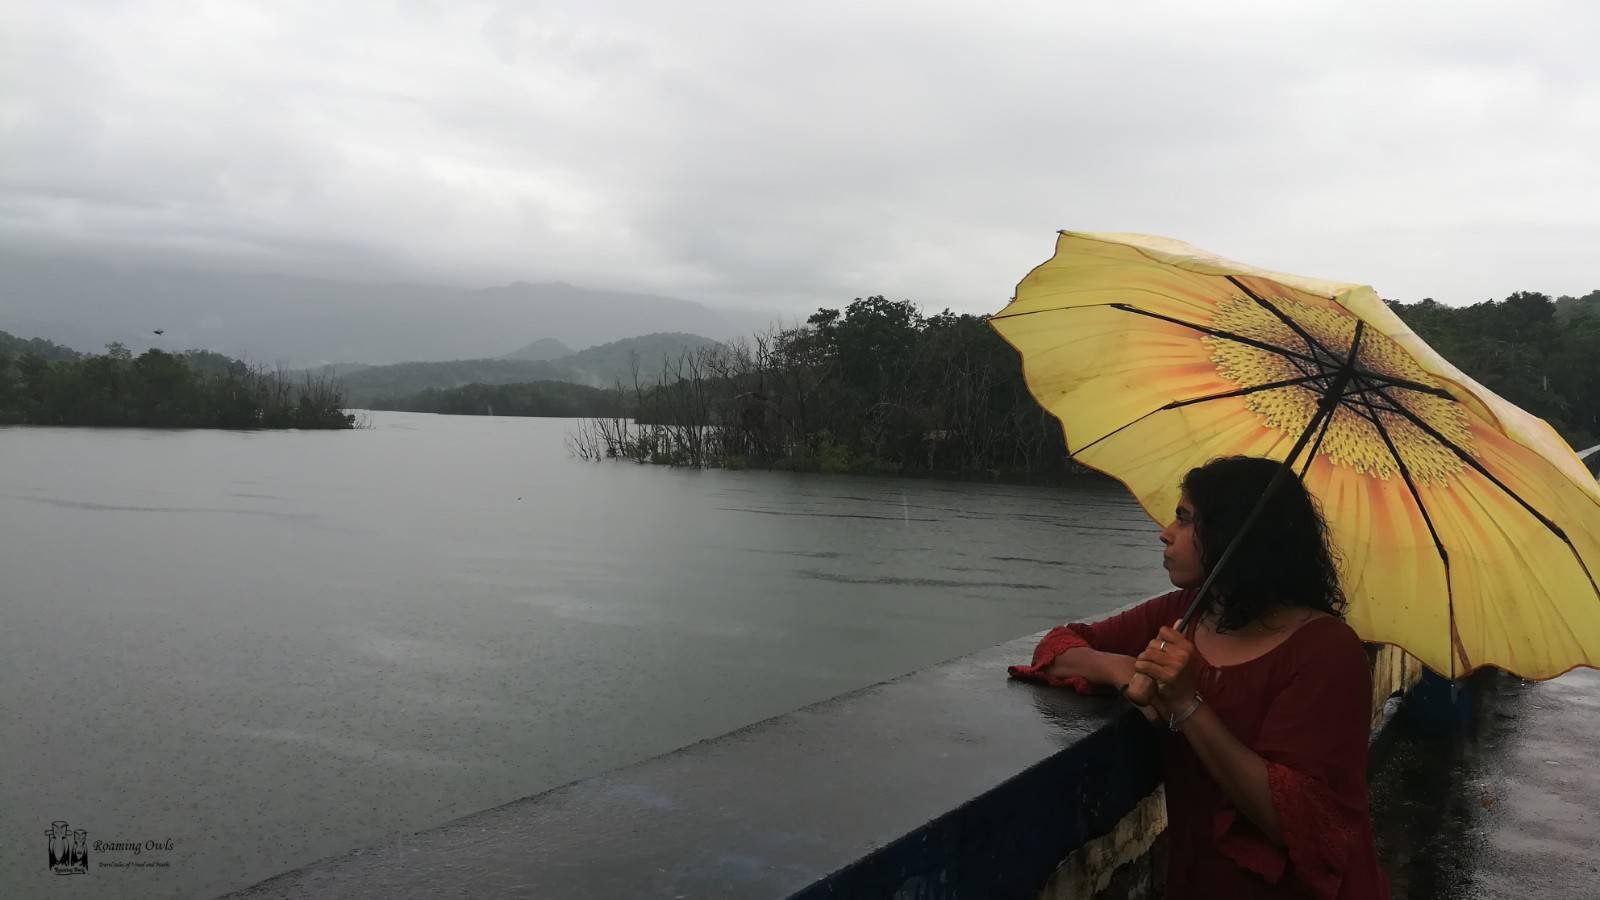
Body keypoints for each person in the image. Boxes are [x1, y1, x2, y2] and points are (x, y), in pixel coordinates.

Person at [1008, 456, 1389, 899]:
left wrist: (1188, 704)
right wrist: (1123, 668)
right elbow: (1057, 647)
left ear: (1235, 536)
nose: (1165, 533)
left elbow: (1292, 820)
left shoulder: (1328, 652)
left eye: (1185, 520)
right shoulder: (1185, 614)